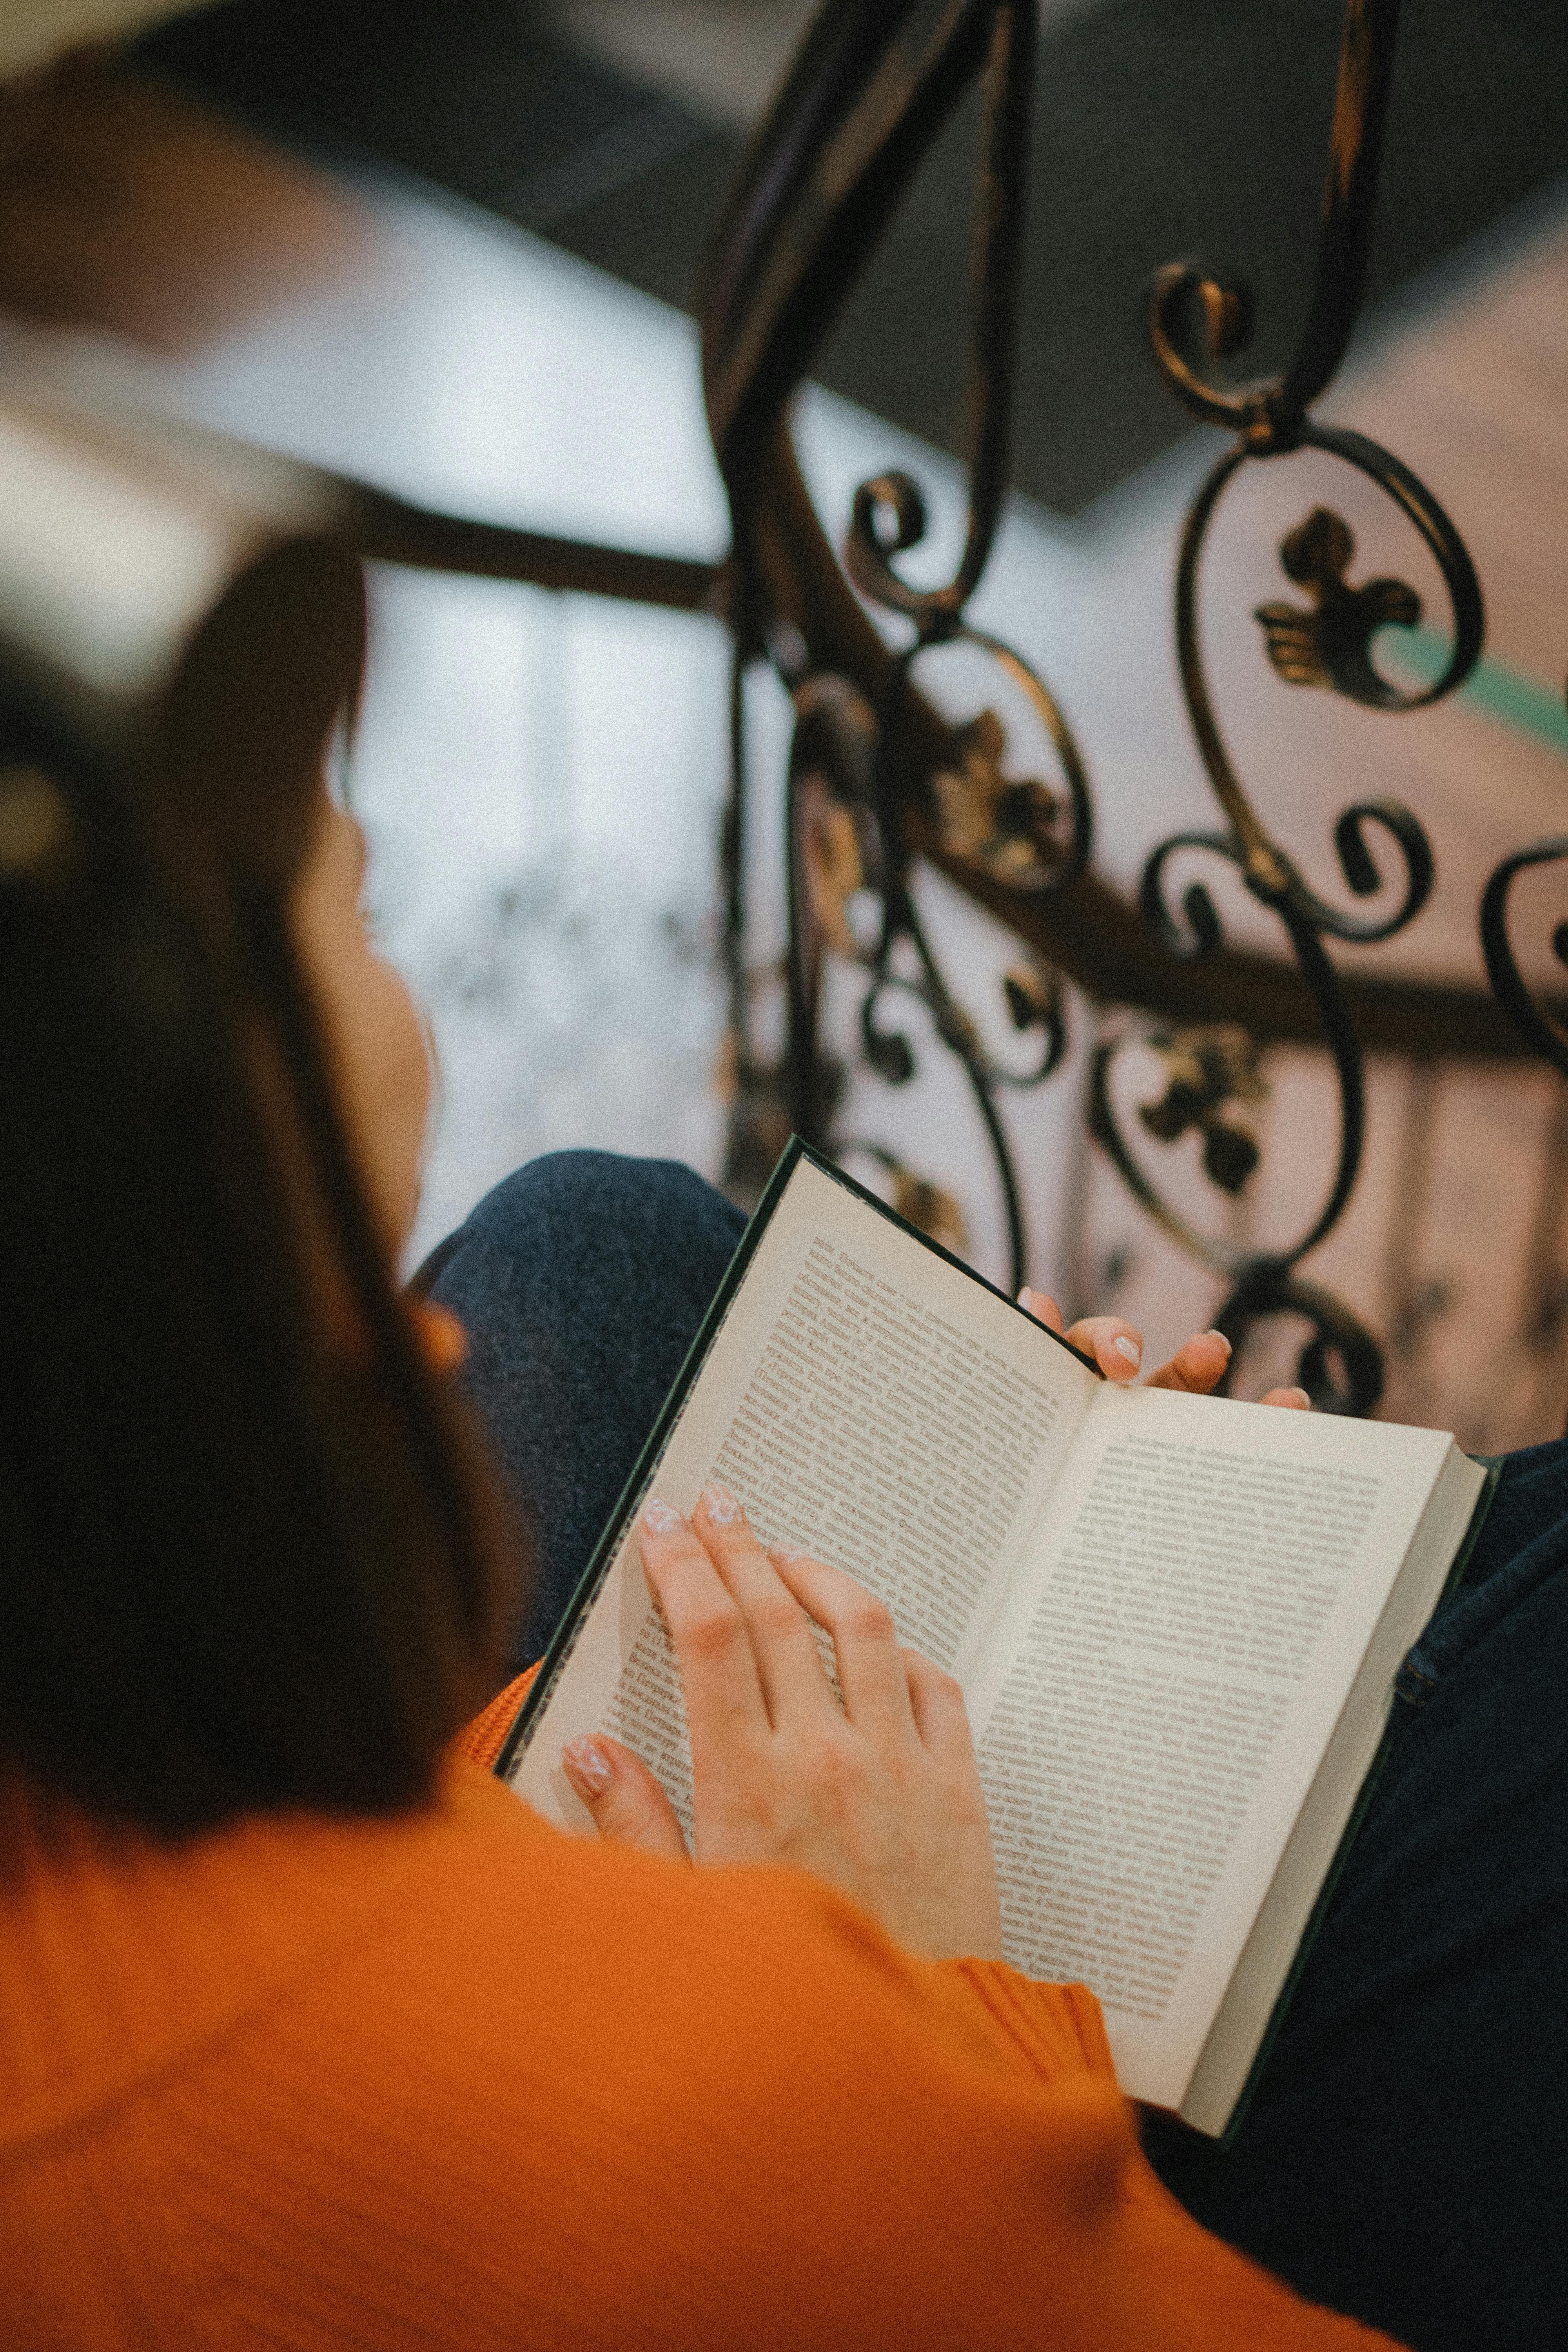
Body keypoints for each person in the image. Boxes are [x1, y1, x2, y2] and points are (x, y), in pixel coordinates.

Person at [2, 605, 1564, 2352]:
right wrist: (922, 1993)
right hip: (868, 2158)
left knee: (589, 1244)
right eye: (348, 900)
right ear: (222, 1121)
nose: (382, 898)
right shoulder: (743, 2104)